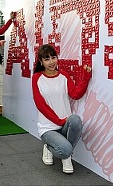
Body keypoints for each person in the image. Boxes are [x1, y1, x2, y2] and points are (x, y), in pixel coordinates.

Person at [31, 44, 92, 174]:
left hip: (64, 125)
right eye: (46, 59)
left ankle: (66, 156)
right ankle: (52, 148)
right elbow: (40, 104)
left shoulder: (63, 76)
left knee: (75, 119)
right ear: (41, 62)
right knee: (65, 150)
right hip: (48, 128)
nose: (51, 62)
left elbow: (75, 94)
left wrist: (86, 77)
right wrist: (58, 121)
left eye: (53, 57)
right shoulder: (37, 78)